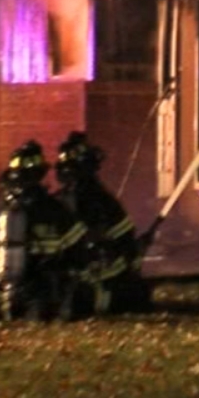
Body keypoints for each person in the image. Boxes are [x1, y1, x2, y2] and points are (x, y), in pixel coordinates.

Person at [0, 140, 91, 322]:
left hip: (2, 287)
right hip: (42, 288)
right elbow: (78, 246)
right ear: (39, 174)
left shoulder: (0, 209)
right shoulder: (52, 208)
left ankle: (2, 307)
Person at [54, 131, 152, 314]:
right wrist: (138, 249)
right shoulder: (101, 201)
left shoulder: (55, 202)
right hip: (97, 280)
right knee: (138, 295)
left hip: (62, 284)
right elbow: (126, 243)